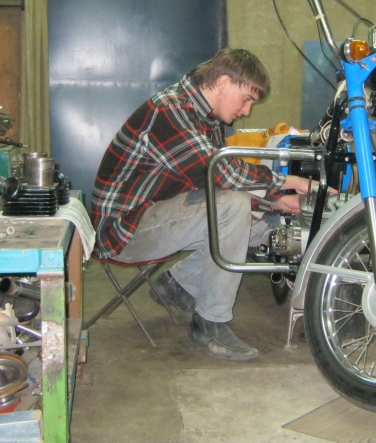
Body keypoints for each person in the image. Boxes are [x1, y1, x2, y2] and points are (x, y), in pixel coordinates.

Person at [91, 48, 311, 361]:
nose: (247, 111)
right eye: (246, 99)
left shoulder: (206, 118)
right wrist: (290, 182)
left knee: (263, 226)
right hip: (124, 230)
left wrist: (277, 203)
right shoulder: (170, 111)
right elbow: (221, 172)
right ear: (223, 82)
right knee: (234, 207)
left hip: (158, 215)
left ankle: (178, 285)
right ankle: (210, 325)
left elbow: (216, 184)